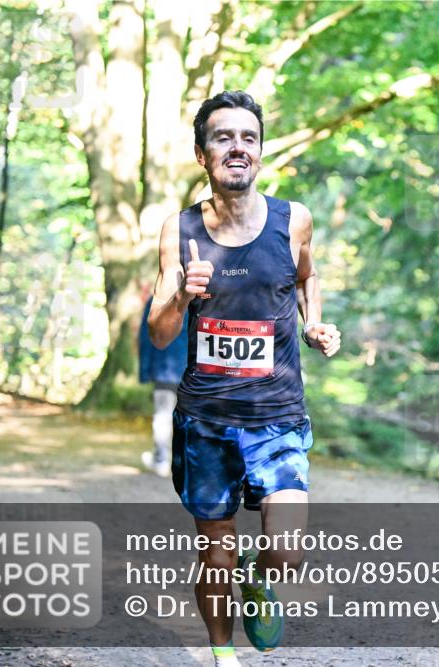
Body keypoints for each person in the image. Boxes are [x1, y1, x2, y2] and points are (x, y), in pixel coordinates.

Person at [147, 90, 340, 667]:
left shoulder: (293, 220)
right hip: (206, 423)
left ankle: (263, 580)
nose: (238, 147)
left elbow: (306, 278)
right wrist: (182, 293)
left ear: (260, 152)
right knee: (215, 553)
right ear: (203, 154)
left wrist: (315, 324)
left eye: (248, 137)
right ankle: (222, 654)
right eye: (223, 137)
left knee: (287, 548)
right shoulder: (179, 230)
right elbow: (159, 333)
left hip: (277, 416)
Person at [137, 293, 188, 477]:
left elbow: (145, 337)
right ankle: (183, 461)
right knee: (187, 418)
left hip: (164, 368)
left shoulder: (157, 300)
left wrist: (145, 371)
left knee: (163, 415)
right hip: (190, 370)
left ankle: (161, 460)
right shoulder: (198, 298)